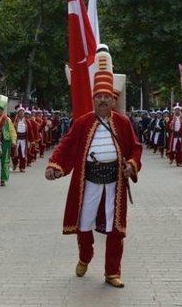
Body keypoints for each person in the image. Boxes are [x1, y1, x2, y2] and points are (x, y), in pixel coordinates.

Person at [45, 47, 142, 289]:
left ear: (113, 99)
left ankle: (112, 272)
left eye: (106, 96)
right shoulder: (82, 122)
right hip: (88, 180)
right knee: (84, 223)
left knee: (115, 228)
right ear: (93, 98)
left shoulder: (123, 122)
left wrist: (131, 164)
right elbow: (65, 145)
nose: (102, 99)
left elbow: (135, 148)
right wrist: (54, 165)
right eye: (98, 96)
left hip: (114, 182)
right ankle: (84, 256)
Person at [0, 95, 17, 186]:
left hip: (5, 142)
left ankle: (3, 179)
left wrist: (13, 141)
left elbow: (12, 131)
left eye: (0, 109)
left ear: (3, 109)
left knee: (5, 162)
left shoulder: (7, 119)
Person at [13, 108, 35, 172]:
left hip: (24, 140)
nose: (21, 113)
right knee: (15, 153)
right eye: (20, 112)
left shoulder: (27, 121)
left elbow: (30, 131)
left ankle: (22, 167)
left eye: (23, 112)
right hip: (16, 139)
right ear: (18, 113)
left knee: (23, 154)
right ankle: (15, 163)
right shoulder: (15, 121)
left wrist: (32, 140)